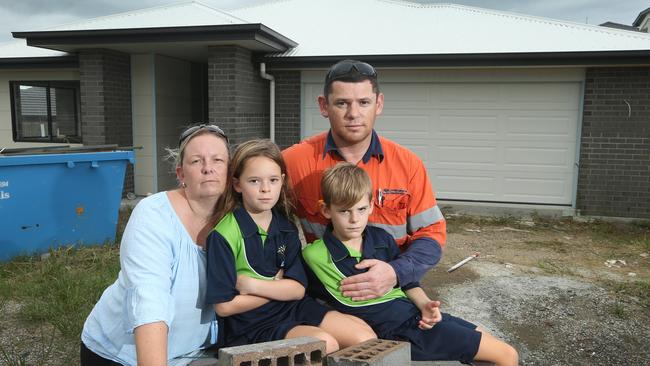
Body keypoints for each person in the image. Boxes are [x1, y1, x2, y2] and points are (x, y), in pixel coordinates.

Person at [303, 163, 519, 365]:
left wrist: (425, 305)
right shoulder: (314, 256)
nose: (354, 219)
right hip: (400, 331)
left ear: (370, 206)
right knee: (507, 355)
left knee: (489, 344)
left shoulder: (381, 239)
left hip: (415, 315)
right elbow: (302, 298)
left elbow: (406, 282)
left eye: (360, 209)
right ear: (326, 210)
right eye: (344, 211)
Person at [283, 59, 446, 301]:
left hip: (391, 294)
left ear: (378, 104)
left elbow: (432, 233)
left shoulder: (408, 164)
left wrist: (394, 272)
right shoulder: (294, 163)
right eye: (341, 103)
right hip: (328, 296)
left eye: (364, 102)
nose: (353, 114)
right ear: (323, 105)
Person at [204, 139, 376, 354]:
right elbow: (225, 306)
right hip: (250, 324)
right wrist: (278, 287)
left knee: (365, 338)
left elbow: (296, 290)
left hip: (293, 307)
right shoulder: (224, 235)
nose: (265, 189)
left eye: (273, 180)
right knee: (323, 344)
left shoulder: (285, 227)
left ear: (282, 181)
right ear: (238, 184)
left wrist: (251, 286)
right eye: (254, 181)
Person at [81, 124, 229, 366]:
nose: (208, 168)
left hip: (193, 353)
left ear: (230, 171)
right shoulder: (154, 215)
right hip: (122, 356)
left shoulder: (238, 216)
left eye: (218, 160)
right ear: (181, 174)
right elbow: (149, 301)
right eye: (196, 161)